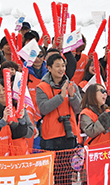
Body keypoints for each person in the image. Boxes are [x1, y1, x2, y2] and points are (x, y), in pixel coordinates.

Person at [36, 53, 81, 184]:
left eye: (63, 65)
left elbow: (78, 109)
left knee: (66, 174)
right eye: (57, 66)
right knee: (50, 173)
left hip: (69, 134)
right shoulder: (42, 87)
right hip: (51, 136)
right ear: (49, 68)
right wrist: (60, 96)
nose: (61, 69)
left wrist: (72, 96)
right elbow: (43, 108)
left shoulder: (72, 85)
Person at [0, 79, 34, 154]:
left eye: (4, 90)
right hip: (0, 154)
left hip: (19, 153)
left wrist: (13, 124)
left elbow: (30, 132)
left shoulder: (19, 109)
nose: (1, 93)